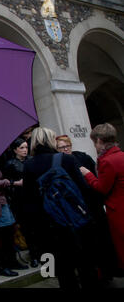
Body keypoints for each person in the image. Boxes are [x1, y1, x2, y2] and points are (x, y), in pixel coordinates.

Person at [22, 127, 99, 288]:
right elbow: (84, 190)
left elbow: (29, 202)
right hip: (77, 223)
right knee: (86, 267)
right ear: (51, 140)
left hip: (50, 226)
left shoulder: (29, 166)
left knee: (64, 272)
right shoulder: (67, 159)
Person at [57, 134, 118, 282]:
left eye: (68, 146)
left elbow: (97, 176)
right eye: (62, 147)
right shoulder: (59, 162)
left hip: (93, 203)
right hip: (78, 208)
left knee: (102, 239)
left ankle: (107, 271)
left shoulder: (82, 157)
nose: (66, 149)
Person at [80, 123, 124, 274]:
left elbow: (101, 188)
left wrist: (87, 174)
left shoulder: (107, 161)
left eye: (94, 143)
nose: (95, 146)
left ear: (99, 141)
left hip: (118, 211)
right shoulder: (121, 155)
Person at [2, 138, 38, 268]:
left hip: (35, 197)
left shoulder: (31, 160)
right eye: (22, 148)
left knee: (38, 228)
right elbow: (5, 183)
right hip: (20, 200)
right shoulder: (10, 164)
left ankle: (42, 254)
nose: (25, 150)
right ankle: (34, 256)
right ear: (15, 149)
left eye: (26, 147)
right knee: (27, 229)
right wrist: (16, 183)